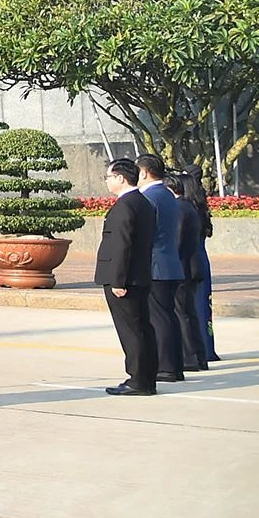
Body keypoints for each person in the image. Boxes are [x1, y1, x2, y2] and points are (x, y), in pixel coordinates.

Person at [96, 158, 158, 397]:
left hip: (125, 278)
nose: (108, 181)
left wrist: (118, 281)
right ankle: (146, 377)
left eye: (109, 177)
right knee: (143, 327)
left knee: (131, 330)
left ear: (121, 178)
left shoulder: (125, 205)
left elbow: (122, 245)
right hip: (140, 275)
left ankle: (137, 380)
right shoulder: (143, 202)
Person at [135, 155, 185, 382]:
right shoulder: (167, 195)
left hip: (155, 265)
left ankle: (165, 367)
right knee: (169, 316)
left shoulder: (148, 197)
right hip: (170, 263)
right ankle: (175, 365)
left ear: (144, 173)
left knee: (159, 318)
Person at [168, 174, 210, 373]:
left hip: (183, 268)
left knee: (182, 313)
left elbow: (176, 242)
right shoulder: (190, 207)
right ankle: (200, 356)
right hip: (192, 267)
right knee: (189, 313)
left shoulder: (179, 208)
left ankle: (191, 358)